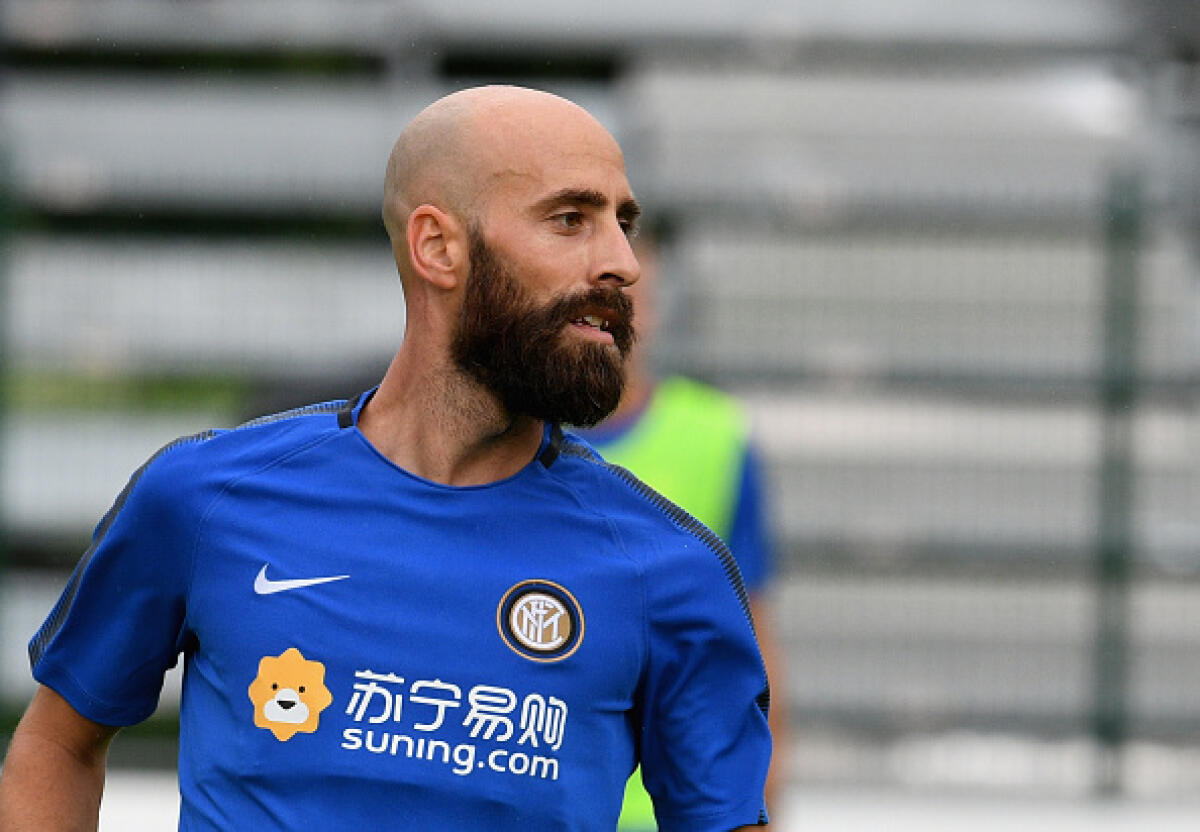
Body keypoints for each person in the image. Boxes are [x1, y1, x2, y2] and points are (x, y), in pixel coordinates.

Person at [0, 86, 771, 830]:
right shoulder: (205, 499)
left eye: (622, 222)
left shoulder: (669, 570)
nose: (623, 263)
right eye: (571, 219)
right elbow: (56, 749)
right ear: (437, 246)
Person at [575, 236, 790, 830]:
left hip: (668, 807)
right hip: (551, 796)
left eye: (634, 292)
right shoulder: (509, 438)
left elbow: (756, 620)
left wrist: (772, 773)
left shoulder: (717, 436)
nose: (617, 309)